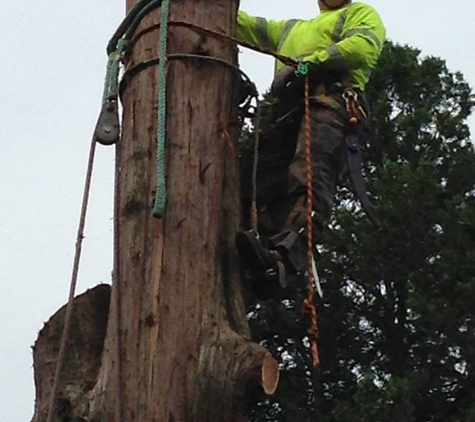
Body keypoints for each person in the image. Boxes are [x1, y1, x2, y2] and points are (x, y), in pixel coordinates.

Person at [235, 0, 386, 298]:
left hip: (329, 104)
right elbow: (244, 24)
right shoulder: (290, 29)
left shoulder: (358, 14)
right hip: (285, 115)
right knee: (251, 182)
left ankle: (283, 259)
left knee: (308, 177)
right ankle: (253, 253)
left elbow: (361, 48)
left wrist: (307, 64)